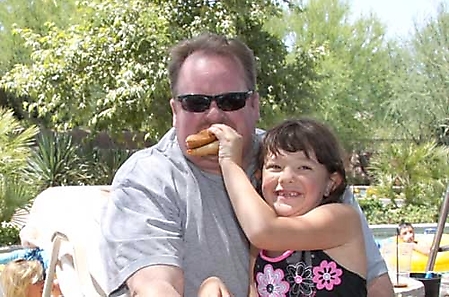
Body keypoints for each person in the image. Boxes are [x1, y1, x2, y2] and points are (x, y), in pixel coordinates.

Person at [99, 32, 394, 297]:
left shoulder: (299, 160)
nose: (214, 116)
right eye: (196, 102)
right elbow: (156, 286)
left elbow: (375, 283)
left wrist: (230, 163)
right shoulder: (148, 178)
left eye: (231, 100)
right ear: (176, 111)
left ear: (254, 105)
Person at [199, 118, 367, 296]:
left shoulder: (341, 220)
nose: (286, 177)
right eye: (275, 167)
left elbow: (264, 231)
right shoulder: (262, 246)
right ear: (259, 177)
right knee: (211, 288)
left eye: (303, 167)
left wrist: (229, 163)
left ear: (331, 183)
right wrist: (211, 287)